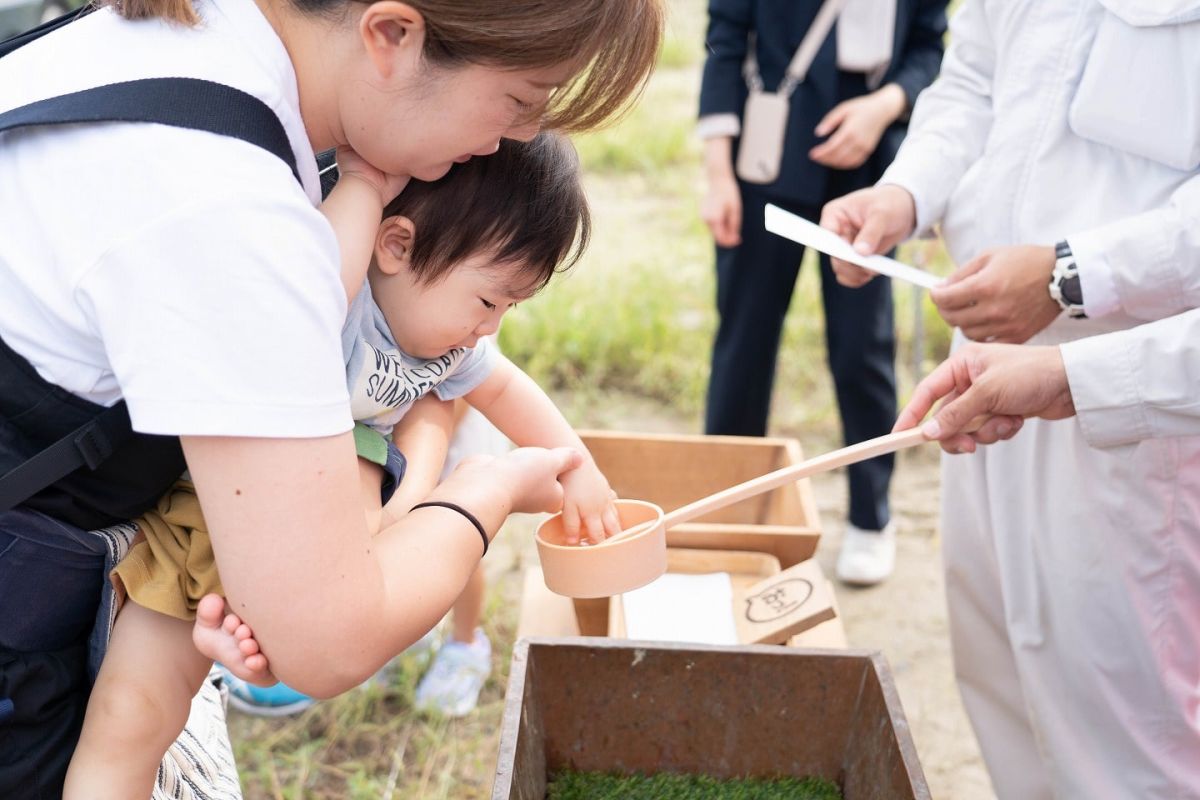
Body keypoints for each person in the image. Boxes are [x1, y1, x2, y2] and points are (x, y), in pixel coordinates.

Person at [0, 0, 663, 794]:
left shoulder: (199, 53)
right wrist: (481, 491)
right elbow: (327, 643)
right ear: (391, 35)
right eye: (521, 101)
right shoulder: (234, 208)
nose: (516, 139)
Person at [63, 133, 616, 798]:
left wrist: (577, 468)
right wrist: (363, 184)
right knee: (131, 717)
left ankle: (259, 648)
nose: (490, 328)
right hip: (202, 522)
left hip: (311, 563)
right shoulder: (341, 298)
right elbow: (321, 269)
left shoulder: (446, 346)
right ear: (396, 245)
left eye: (509, 309)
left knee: (183, 688)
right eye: (490, 300)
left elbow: (503, 388)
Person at [820, 2, 1200, 796]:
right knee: (1002, 674)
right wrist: (905, 195)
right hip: (986, 357)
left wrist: (1071, 275)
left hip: (1137, 398)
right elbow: (972, 83)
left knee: (1124, 727)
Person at [697, 0, 947, 586]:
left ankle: (870, 515)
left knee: (863, 344)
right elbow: (726, 35)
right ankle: (728, 510)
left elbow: (930, 45)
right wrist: (716, 173)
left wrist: (885, 106)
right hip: (769, 148)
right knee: (744, 341)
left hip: (874, 154)